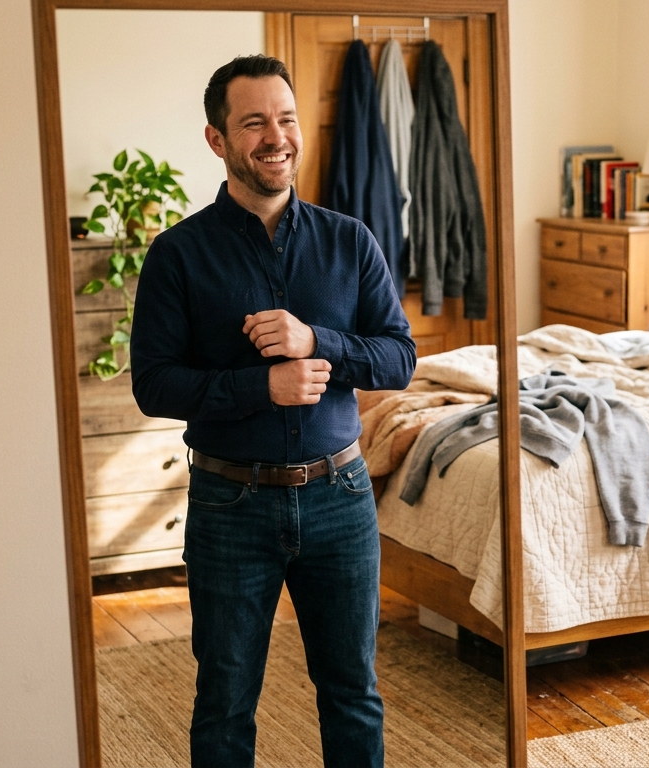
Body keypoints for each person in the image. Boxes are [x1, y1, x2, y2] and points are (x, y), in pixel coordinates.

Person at [130, 55, 416, 768]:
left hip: (342, 498)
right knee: (224, 701)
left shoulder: (351, 241)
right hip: (231, 504)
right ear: (217, 139)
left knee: (353, 690)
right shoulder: (177, 256)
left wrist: (316, 340)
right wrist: (263, 387)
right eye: (253, 122)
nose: (275, 136)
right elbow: (154, 386)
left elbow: (398, 358)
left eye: (285, 119)